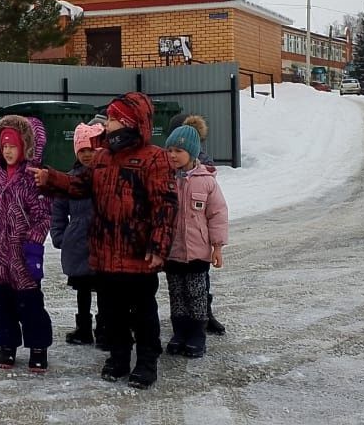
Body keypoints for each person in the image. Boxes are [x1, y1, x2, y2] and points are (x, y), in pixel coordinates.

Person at [30, 92, 177, 390]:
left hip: (138, 255)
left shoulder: (154, 158)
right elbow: (78, 185)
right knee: (112, 313)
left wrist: (159, 246)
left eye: (112, 119)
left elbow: (165, 206)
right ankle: (118, 357)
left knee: (143, 313)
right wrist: (51, 179)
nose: (107, 124)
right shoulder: (102, 157)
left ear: (129, 122)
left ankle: (146, 361)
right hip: (105, 254)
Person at [0, 115, 53, 373]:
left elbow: (43, 216)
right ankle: (7, 344)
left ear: (25, 147)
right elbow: (2, 204)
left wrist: (34, 246)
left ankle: (38, 347)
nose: (8, 151)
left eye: (13, 146)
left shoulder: (33, 178)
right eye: (4, 146)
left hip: (23, 253)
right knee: (0, 300)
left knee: (29, 303)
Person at [161, 122, 229, 359]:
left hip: (198, 252)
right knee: (176, 294)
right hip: (172, 251)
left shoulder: (206, 181)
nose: (172, 155)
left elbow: (217, 214)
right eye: (169, 150)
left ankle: (197, 334)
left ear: (191, 152)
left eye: (178, 151)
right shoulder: (165, 179)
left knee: (197, 294)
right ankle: (179, 332)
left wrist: (217, 247)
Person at [50, 123, 104, 347]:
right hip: (78, 243)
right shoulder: (69, 179)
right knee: (82, 288)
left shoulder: (105, 177)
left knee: (105, 289)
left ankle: (105, 327)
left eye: (90, 150)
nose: (87, 155)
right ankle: (83, 328)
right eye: (82, 151)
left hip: (103, 241)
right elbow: (58, 210)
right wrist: (60, 236)